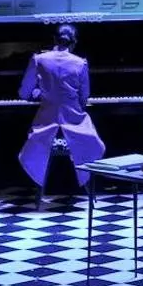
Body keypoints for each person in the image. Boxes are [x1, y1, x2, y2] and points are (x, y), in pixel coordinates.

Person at [18, 24, 106, 190]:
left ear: (54, 39)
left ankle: (40, 186)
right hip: (75, 125)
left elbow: (24, 93)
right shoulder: (80, 63)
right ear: (74, 42)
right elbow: (83, 98)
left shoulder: (38, 59)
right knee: (94, 143)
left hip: (45, 127)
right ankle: (86, 185)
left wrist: (39, 93)